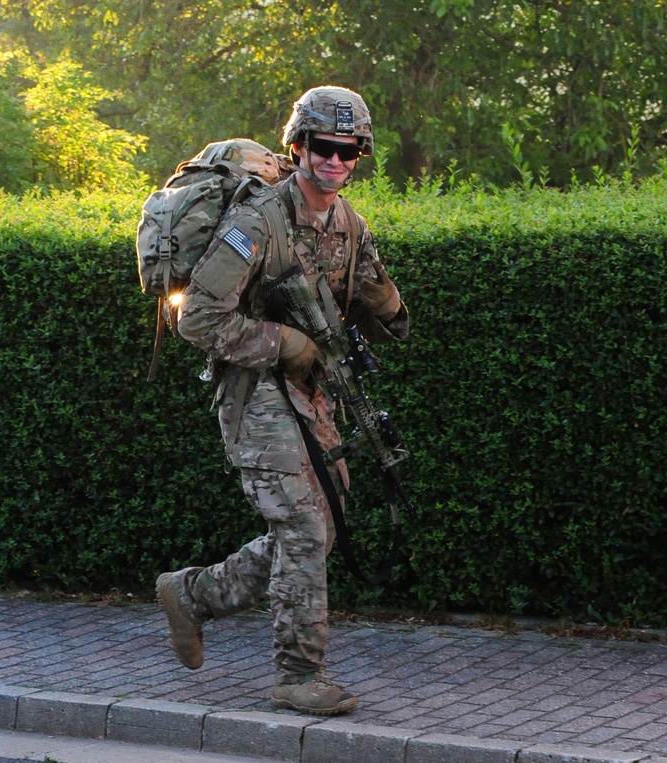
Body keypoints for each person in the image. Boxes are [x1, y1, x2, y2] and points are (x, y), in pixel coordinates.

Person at [155, 85, 409, 716]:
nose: (335, 160)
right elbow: (200, 322)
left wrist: (386, 309)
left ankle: (193, 596)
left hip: (312, 392)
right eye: (323, 146)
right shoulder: (256, 221)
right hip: (254, 390)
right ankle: (298, 675)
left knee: (317, 533)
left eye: (349, 150)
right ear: (299, 146)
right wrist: (284, 341)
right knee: (301, 524)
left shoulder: (350, 224)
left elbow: (374, 301)